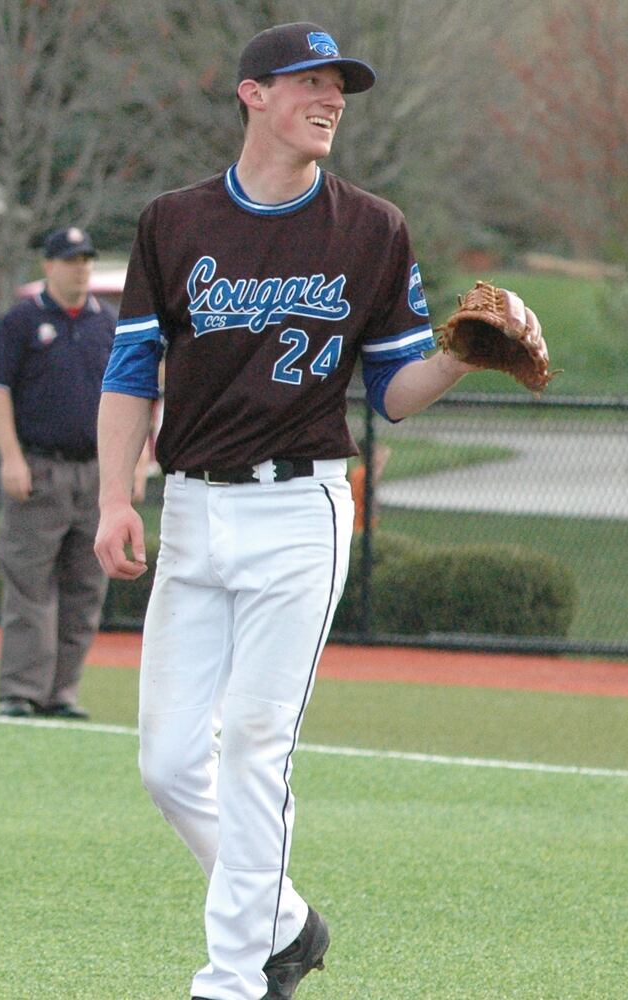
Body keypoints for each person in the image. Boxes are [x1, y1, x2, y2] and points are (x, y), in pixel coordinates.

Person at [93, 23, 521, 999]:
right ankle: (285, 923)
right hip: (194, 509)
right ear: (251, 94)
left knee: (251, 742)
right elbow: (128, 370)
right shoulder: (173, 222)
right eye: (310, 83)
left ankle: (232, 979)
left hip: (300, 512)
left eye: (339, 88)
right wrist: (115, 496)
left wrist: (460, 354)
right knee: (165, 762)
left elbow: (393, 393)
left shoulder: (371, 227)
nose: (329, 99)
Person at [0, 226, 126, 720]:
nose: (80, 268)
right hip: (40, 467)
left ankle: (62, 693)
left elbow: (132, 399)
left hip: (95, 472)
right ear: (48, 265)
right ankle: (21, 690)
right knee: (30, 582)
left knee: (86, 588)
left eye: (86, 259)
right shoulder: (22, 321)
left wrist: (131, 467)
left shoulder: (107, 324)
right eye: (70, 260)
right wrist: (11, 456)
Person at [350, 436, 392, 533]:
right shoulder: (364, 473)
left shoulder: (359, 471)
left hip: (362, 522)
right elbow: (385, 453)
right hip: (361, 524)